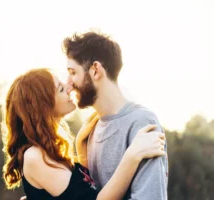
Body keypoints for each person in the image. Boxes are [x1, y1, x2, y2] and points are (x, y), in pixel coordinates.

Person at [2, 68, 166, 200]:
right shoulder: (35, 157)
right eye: (60, 88)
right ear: (43, 106)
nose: (69, 87)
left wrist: (81, 144)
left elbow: (81, 191)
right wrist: (131, 157)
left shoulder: (47, 151)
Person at [62, 31, 169, 199]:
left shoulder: (142, 123)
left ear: (95, 70)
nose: (68, 82)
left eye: (73, 72)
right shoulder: (90, 131)